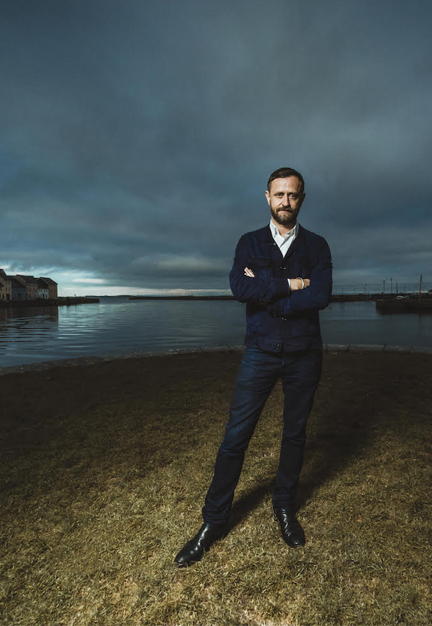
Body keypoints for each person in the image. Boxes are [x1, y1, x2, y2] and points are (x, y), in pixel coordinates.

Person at [174, 167, 333, 567]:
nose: (285, 201)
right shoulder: (249, 242)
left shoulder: (317, 246)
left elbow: (321, 296)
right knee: (235, 437)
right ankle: (214, 521)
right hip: (260, 352)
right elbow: (239, 288)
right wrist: (293, 284)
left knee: (294, 435)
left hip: (304, 354)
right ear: (267, 197)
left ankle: (285, 506)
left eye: (292, 195)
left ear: (301, 198)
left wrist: (268, 292)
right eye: (279, 194)